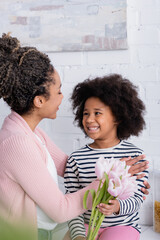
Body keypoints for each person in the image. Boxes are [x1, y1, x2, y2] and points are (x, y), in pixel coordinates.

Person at [0, 33, 149, 240]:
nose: (63, 97)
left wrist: (124, 179)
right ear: (39, 101)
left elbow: (68, 165)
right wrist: (110, 181)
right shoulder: (17, 142)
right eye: (58, 91)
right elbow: (61, 209)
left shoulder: (30, 132)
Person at [64, 74, 149, 240]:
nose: (89, 120)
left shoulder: (134, 156)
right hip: (87, 226)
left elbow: (138, 198)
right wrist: (78, 235)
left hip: (122, 226)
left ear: (117, 116)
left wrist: (118, 206)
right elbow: (71, 203)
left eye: (97, 113)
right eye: (86, 113)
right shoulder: (76, 158)